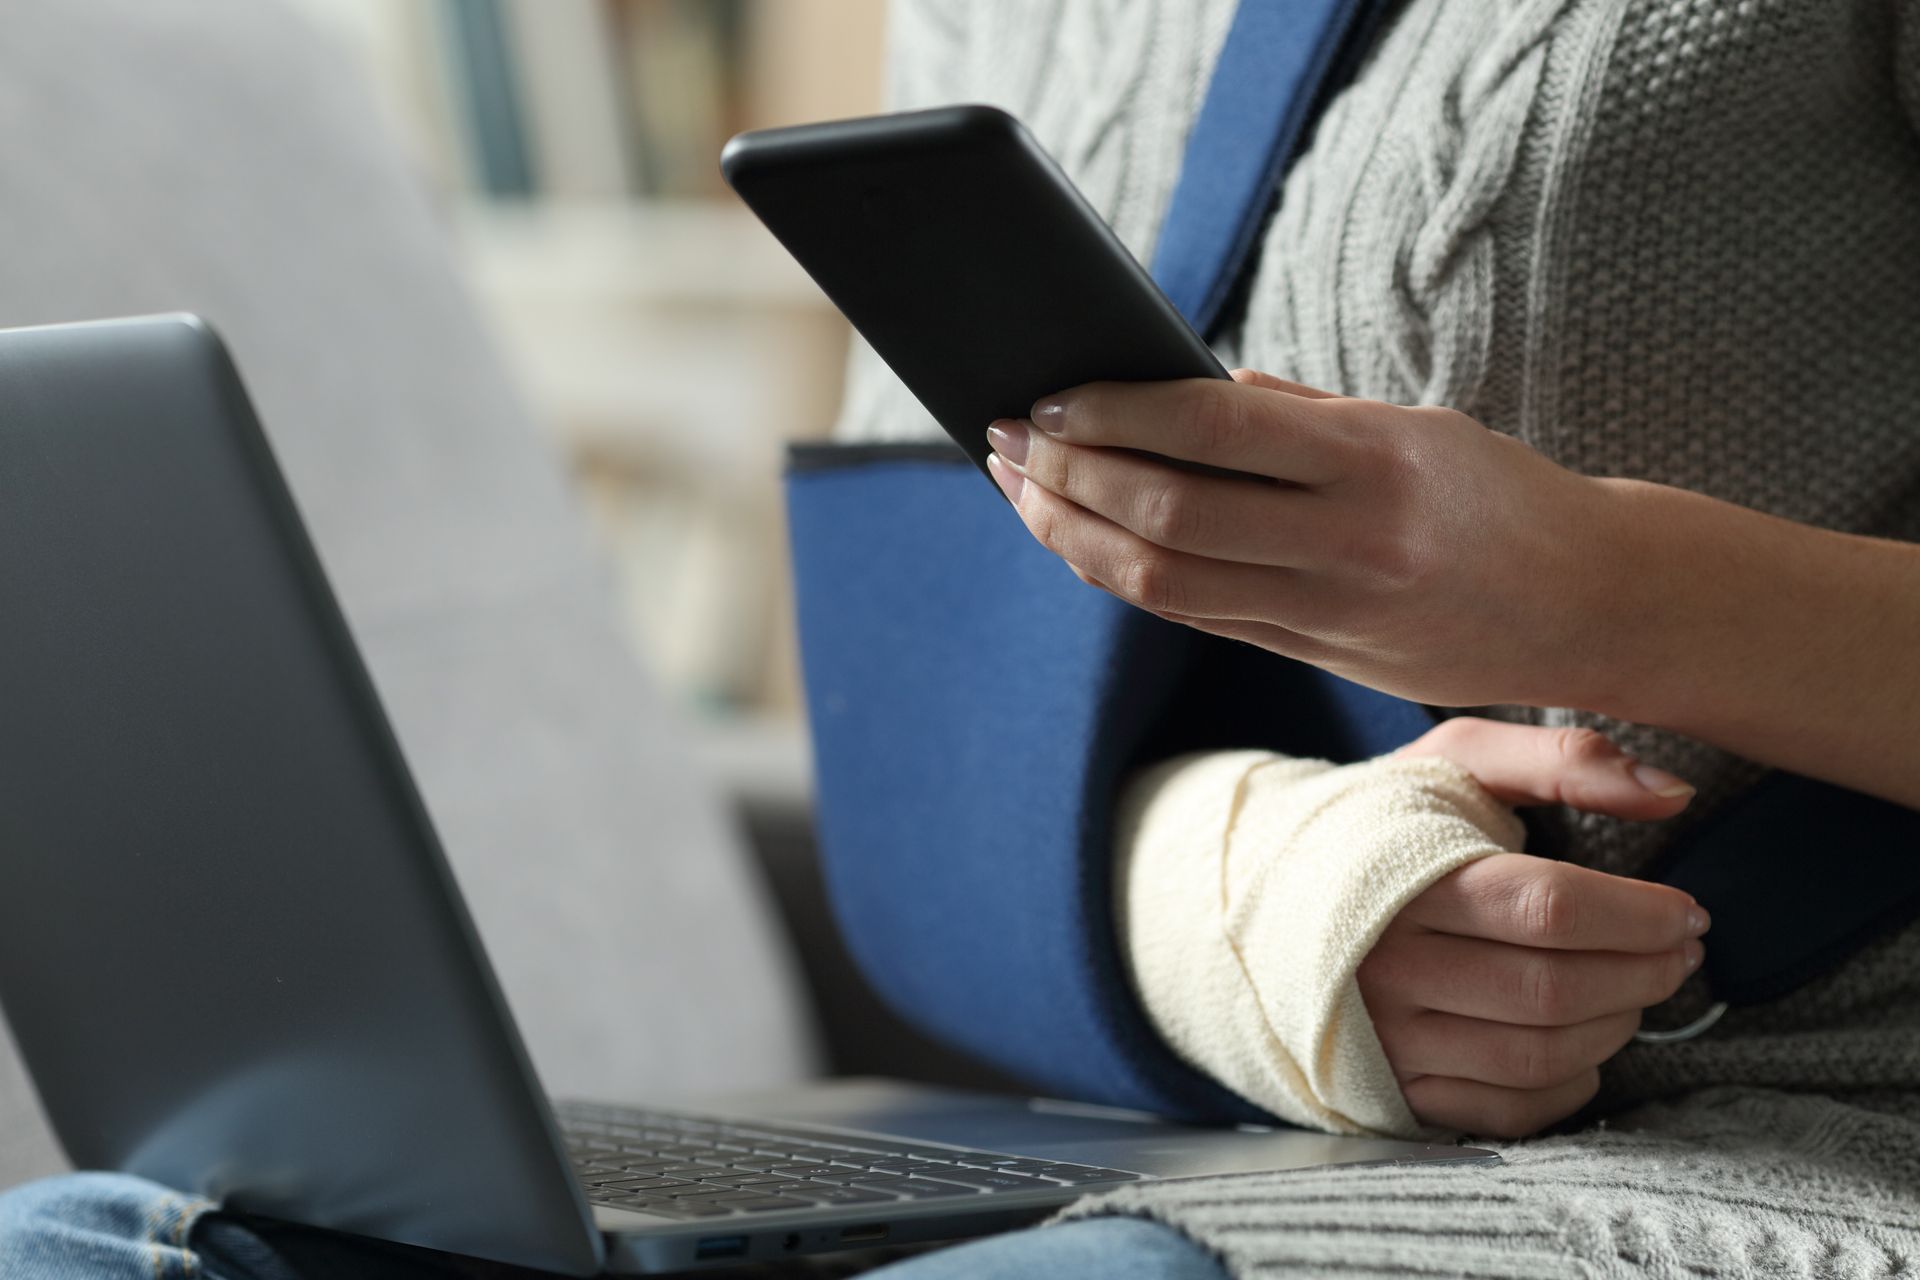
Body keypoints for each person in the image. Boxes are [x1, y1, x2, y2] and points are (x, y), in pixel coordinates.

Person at [6, 0, 1920, 1275]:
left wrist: (1600, 589)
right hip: (1183, 1131)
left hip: (1803, 1145)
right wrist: (1256, 910)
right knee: (87, 1244)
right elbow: (919, 729)